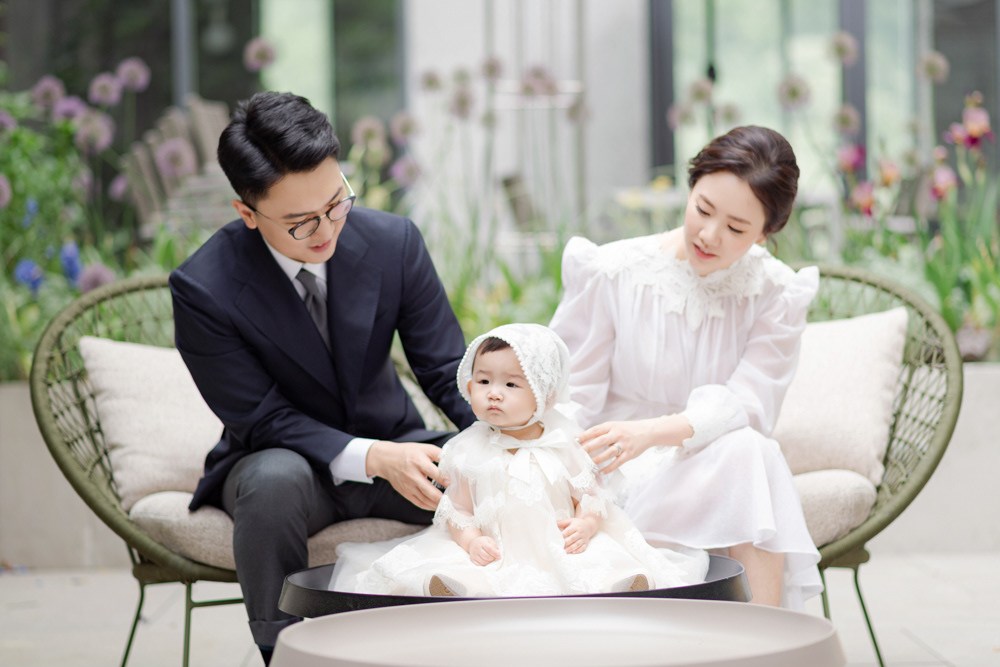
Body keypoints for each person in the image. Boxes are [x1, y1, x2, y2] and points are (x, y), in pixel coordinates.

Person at [168, 91, 475, 663]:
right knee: (274, 482)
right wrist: (371, 456)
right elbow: (262, 418)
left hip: (398, 446)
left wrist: (506, 440)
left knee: (490, 470)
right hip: (283, 464)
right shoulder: (203, 288)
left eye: (336, 203)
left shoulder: (394, 243)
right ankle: (283, 652)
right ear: (247, 213)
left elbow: (444, 370)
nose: (325, 230)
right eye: (299, 222)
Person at [549, 125, 823, 609]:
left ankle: (763, 634)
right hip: (611, 474)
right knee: (749, 455)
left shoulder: (777, 293)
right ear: (691, 188)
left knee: (749, 448)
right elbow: (571, 397)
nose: (709, 236)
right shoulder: (612, 271)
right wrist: (573, 480)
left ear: (766, 232)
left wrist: (652, 433)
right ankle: (768, 631)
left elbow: (749, 403)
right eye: (702, 209)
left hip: (709, 469)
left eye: (736, 229)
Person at [330, 323, 708, 597]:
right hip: (496, 549)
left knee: (596, 563)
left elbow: (592, 496)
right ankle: (455, 590)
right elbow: (456, 509)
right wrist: (471, 540)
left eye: (511, 384)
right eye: (484, 382)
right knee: (466, 568)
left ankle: (620, 587)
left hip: (558, 545)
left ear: (545, 395)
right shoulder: (467, 448)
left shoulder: (563, 443)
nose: (494, 393)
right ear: (469, 386)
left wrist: (586, 523)